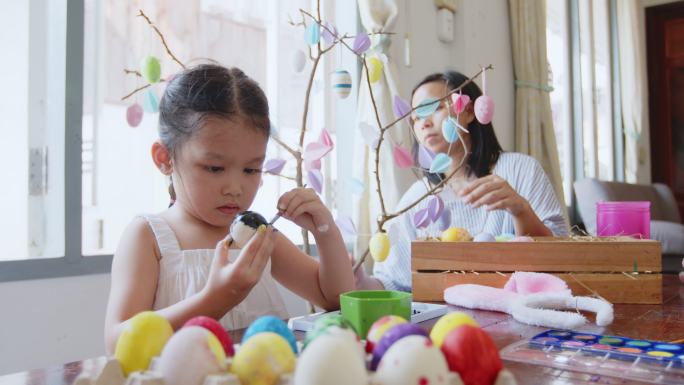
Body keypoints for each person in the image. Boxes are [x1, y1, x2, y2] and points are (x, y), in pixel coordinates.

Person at [104, 64, 354, 353]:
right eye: (214, 167)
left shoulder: (257, 233)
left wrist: (325, 230)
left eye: (251, 169)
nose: (235, 187)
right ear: (165, 158)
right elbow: (117, 341)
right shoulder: (150, 236)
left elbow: (335, 299)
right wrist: (216, 298)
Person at [356, 71, 569, 292]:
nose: (424, 123)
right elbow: (390, 283)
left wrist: (520, 210)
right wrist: (356, 279)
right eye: (416, 118)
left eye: (435, 108)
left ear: (468, 111)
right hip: (442, 323)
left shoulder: (520, 170)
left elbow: (560, 255)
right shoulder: (418, 197)